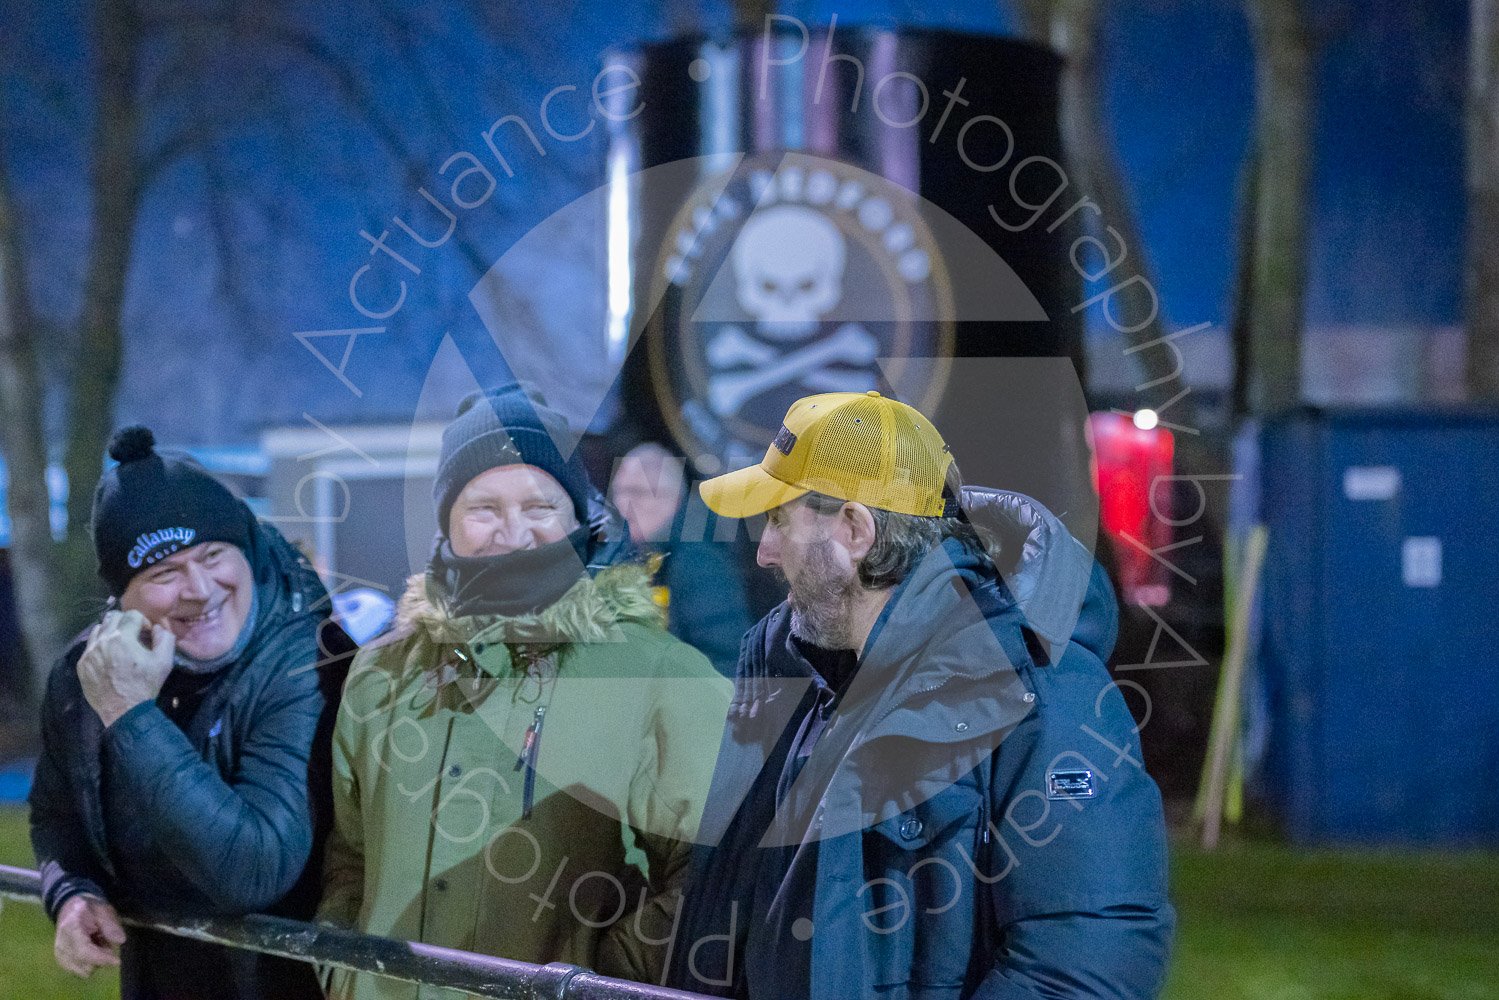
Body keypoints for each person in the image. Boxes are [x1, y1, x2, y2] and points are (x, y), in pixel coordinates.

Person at [667, 391, 1174, 1000]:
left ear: (854, 530)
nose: (765, 553)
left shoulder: (1046, 698)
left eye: (779, 521)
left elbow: (1081, 972)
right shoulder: (798, 682)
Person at [318, 385, 732, 998]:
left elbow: (713, 876)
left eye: (540, 506)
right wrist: (348, 976)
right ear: (446, 525)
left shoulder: (662, 679)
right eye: (483, 506)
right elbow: (351, 861)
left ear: (580, 517)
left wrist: (602, 977)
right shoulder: (381, 673)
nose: (512, 531)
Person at [28, 426, 352, 999]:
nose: (200, 589)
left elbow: (255, 869)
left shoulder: (310, 659)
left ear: (245, 550)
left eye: (213, 555)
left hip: (293, 985)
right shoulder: (86, 673)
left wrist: (131, 716)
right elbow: (56, 817)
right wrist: (71, 891)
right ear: (121, 596)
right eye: (164, 573)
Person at [608, 441, 754, 675]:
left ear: (673, 500)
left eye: (637, 492)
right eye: (618, 492)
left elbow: (728, 658)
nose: (623, 505)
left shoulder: (699, 561)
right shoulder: (633, 559)